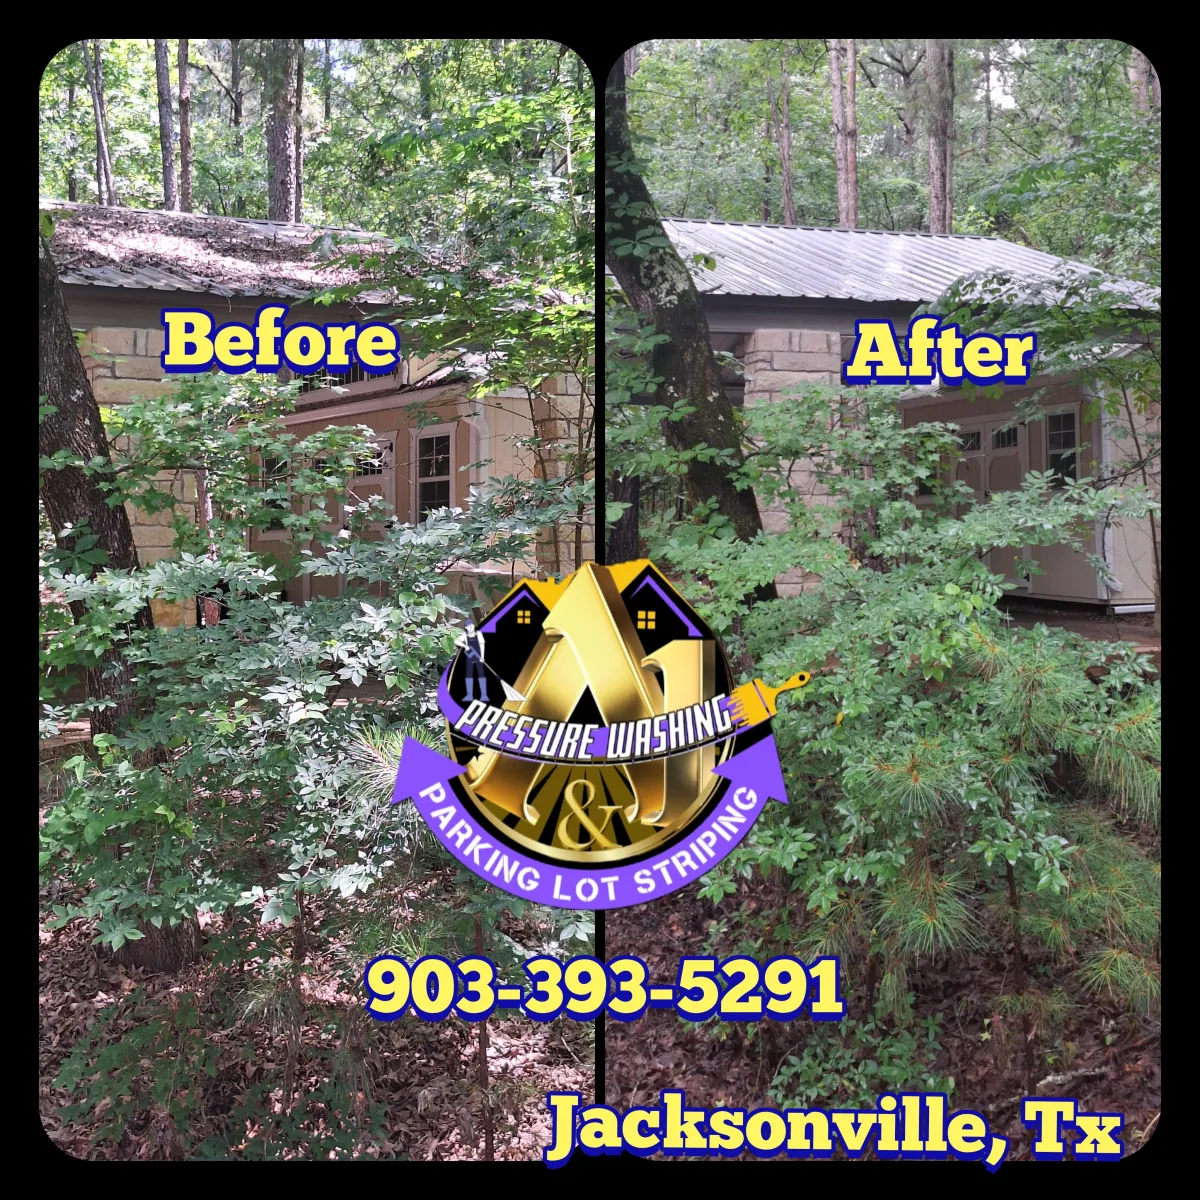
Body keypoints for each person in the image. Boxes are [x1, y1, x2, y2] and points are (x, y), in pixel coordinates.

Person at [461, 620, 489, 702]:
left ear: (473, 625)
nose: (470, 628)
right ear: (466, 628)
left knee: (481, 674)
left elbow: (482, 644)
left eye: (471, 626)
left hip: (479, 657)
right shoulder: (465, 635)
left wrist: (482, 657)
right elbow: (457, 641)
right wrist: (465, 646)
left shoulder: (478, 634)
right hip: (469, 657)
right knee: (469, 675)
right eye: (468, 627)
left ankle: (484, 695)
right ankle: (469, 695)